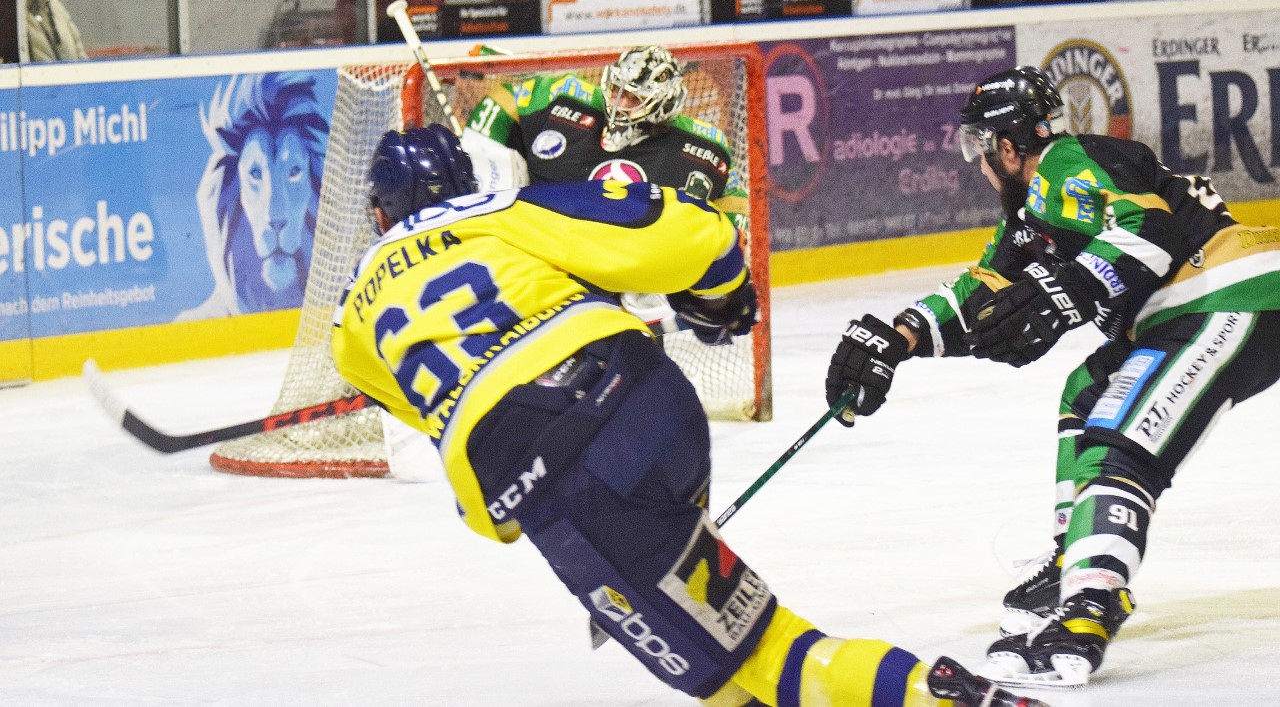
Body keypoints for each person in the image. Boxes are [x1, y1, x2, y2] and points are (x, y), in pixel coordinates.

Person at [330, 123, 1046, 707]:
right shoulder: (506, 212)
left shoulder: (349, 330)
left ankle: (954, 699)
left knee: (770, 654)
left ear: (378, 214)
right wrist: (722, 296)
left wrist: (507, 509)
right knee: (725, 669)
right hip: (650, 399)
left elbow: (464, 446)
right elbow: (692, 235)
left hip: (573, 481)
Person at [824, 65, 1280, 688]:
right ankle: (1076, 555)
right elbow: (981, 292)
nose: (979, 167)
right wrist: (897, 338)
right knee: (1087, 393)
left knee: (1122, 442)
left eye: (981, 150)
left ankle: (1093, 602)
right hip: (1188, 308)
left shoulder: (1065, 163)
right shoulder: (1035, 214)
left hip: (1227, 293)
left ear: (1008, 148)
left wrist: (1069, 285)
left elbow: (1148, 228)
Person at [459, 44, 749, 227]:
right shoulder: (567, 98)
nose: (618, 104)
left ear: (663, 105)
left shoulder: (704, 149)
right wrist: (480, 149)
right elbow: (506, 96)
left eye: (633, 99)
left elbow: (735, 203)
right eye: (615, 91)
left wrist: (734, 235)